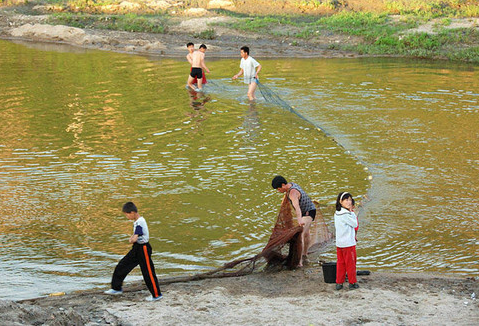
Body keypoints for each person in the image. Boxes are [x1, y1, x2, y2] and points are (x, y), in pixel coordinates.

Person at [104, 202, 163, 301]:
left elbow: (137, 235)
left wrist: (132, 239)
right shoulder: (137, 221)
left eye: (127, 214)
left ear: (132, 212)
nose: (127, 217)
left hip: (143, 248)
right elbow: (137, 234)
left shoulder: (140, 221)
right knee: (122, 265)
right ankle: (116, 288)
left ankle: (156, 295)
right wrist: (133, 238)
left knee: (148, 272)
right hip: (137, 248)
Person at [271, 175, 316, 267]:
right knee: (306, 233)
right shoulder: (291, 185)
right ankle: (304, 254)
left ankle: (299, 261)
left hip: (308, 212)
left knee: (301, 234)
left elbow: (297, 207)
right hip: (310, 209)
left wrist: (299, 220)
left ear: (283, 185)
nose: (278, 191)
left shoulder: (292, 193)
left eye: (278, 189)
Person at [334, 192, 359, 290]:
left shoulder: (337, 213)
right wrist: (352, 212)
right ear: (341, 202)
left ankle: (339, 283)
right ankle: (352, 282)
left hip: (340, 243)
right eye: (346, 200)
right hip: (348, 244)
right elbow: (355, 224)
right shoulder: (347, 214)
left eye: (350, 200)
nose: (349, 202)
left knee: (341, 263)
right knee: (351, 263)